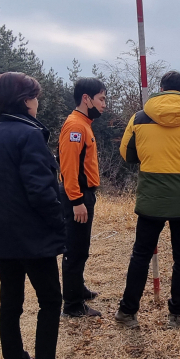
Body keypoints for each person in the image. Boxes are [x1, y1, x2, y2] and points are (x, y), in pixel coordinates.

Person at [0, 72, 84, 359]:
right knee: (51, 301)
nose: (38, 102)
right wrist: (58, 227)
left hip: (1, 237)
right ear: (25, 101)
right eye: (35, 97)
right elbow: (41, 192)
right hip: (32, 238)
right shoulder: (29, 136)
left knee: (11, 302)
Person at [115, 71, 180, 329]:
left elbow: (127, 154)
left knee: (141, 254)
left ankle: (127, 312)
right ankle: (178, 314)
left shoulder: (139, 118)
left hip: (152, 197)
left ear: (161, 89)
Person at [58, 77, 107, 317]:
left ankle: (78, 289)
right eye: (101, 99)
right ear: (86, 99)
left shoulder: (84, 123)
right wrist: (77, 201)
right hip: (77, 196)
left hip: (84, 194)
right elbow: (68, 167)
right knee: (75, 249)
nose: (104, 104)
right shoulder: (76, 126)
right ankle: (73, 305)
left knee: (81, 247)